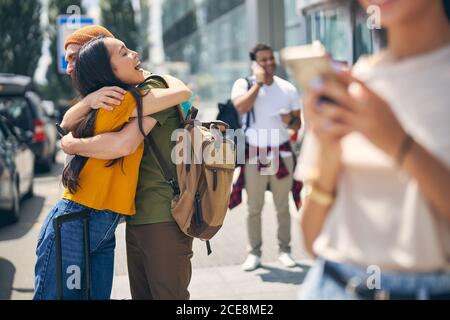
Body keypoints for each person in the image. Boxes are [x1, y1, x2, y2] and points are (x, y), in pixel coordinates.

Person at [298, 0, 450, 300]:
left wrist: (400, 143)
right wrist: (328, 155)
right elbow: (312, 239)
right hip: (333, 285)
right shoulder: (352, 83)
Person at [34, 27, 191, 300]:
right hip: (82, 215)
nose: (70, 68)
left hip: (100, 218)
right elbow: (65, 124)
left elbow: (121, 142)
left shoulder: (128, 98)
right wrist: (86, 106)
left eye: (74, 58)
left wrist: (69, 143)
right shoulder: (111, 100)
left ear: (94, 60)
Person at [229, 43, 302, 271]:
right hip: (255, 154)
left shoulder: (288, 88)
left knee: (282, 206)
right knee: (254, 207)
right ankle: (254, 253)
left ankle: (285, 250)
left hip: (282, 153)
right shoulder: (244, 84)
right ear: (254, 63)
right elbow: (241, 107)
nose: (269, 63)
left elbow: (297, 122)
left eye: (271, 58)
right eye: (263, 60)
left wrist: (288, 121)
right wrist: (258, 84)